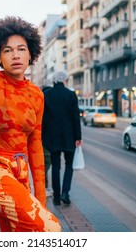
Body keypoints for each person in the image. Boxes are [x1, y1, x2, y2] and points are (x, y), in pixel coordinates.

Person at [0, 16, 61, 232]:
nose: (15, 55)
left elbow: (35, 147)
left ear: (31, 53)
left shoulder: (37, 94)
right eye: (7, 50)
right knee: (50, 228)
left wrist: (41, 202)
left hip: (20, 172)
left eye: (21, 49)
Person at [42, 70, 82, 206]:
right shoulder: (71, 95)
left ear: (54, 80)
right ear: (65, 80)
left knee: (55, 167)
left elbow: (44, 119)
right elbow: (75, 117)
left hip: (52, 137)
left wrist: (43, 136)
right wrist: (78, 137)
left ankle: (57, 197)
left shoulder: (47, 95)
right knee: (69, 165)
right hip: (69, 136)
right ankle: (66, 192)